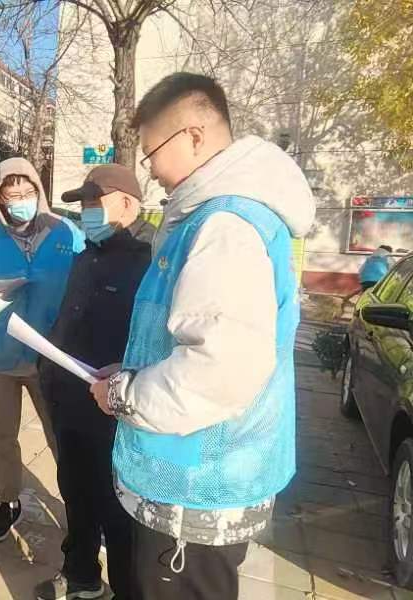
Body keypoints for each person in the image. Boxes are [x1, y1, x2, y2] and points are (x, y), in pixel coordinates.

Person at [90, 73, 315, 600]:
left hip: (193, 495)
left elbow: (219, 370)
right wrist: (130, 373)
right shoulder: (210, 219)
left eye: (152, 153)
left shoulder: (225, 227)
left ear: (194, 136)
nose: (151, 171)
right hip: (187, 481)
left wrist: (123, 395)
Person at [35, 165, 151, 600]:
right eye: (82, 205)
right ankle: (81, 576)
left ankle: (126, 590)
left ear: (127, 203)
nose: (86, 212)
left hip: (116, 410)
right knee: (77, 497)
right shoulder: (86, 256)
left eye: (92, 203)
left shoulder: (150, 259)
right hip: (70, 402)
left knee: (119, 514)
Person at [0, 157, 85, 541]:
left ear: (39, 191)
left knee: (61, 437)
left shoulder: (65, 233)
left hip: (50, 358)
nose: (20, 200)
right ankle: (8, 502)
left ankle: (79, 506)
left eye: (27, 192)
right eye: (12, 195)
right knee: (1, 436)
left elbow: (83, 285)